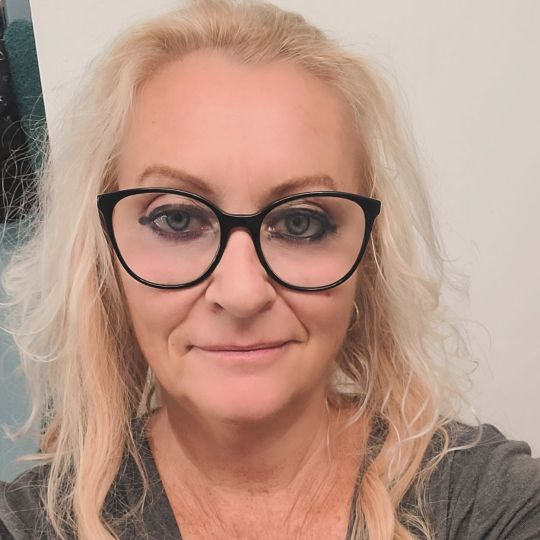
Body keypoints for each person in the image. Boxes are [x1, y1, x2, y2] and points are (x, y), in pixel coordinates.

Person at [0, 1, 539, 538]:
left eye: (301, 223)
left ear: (369, 257)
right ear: (103, 252)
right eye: (177, 219)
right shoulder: (27, 524)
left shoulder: (488, 503)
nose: (242, 292)